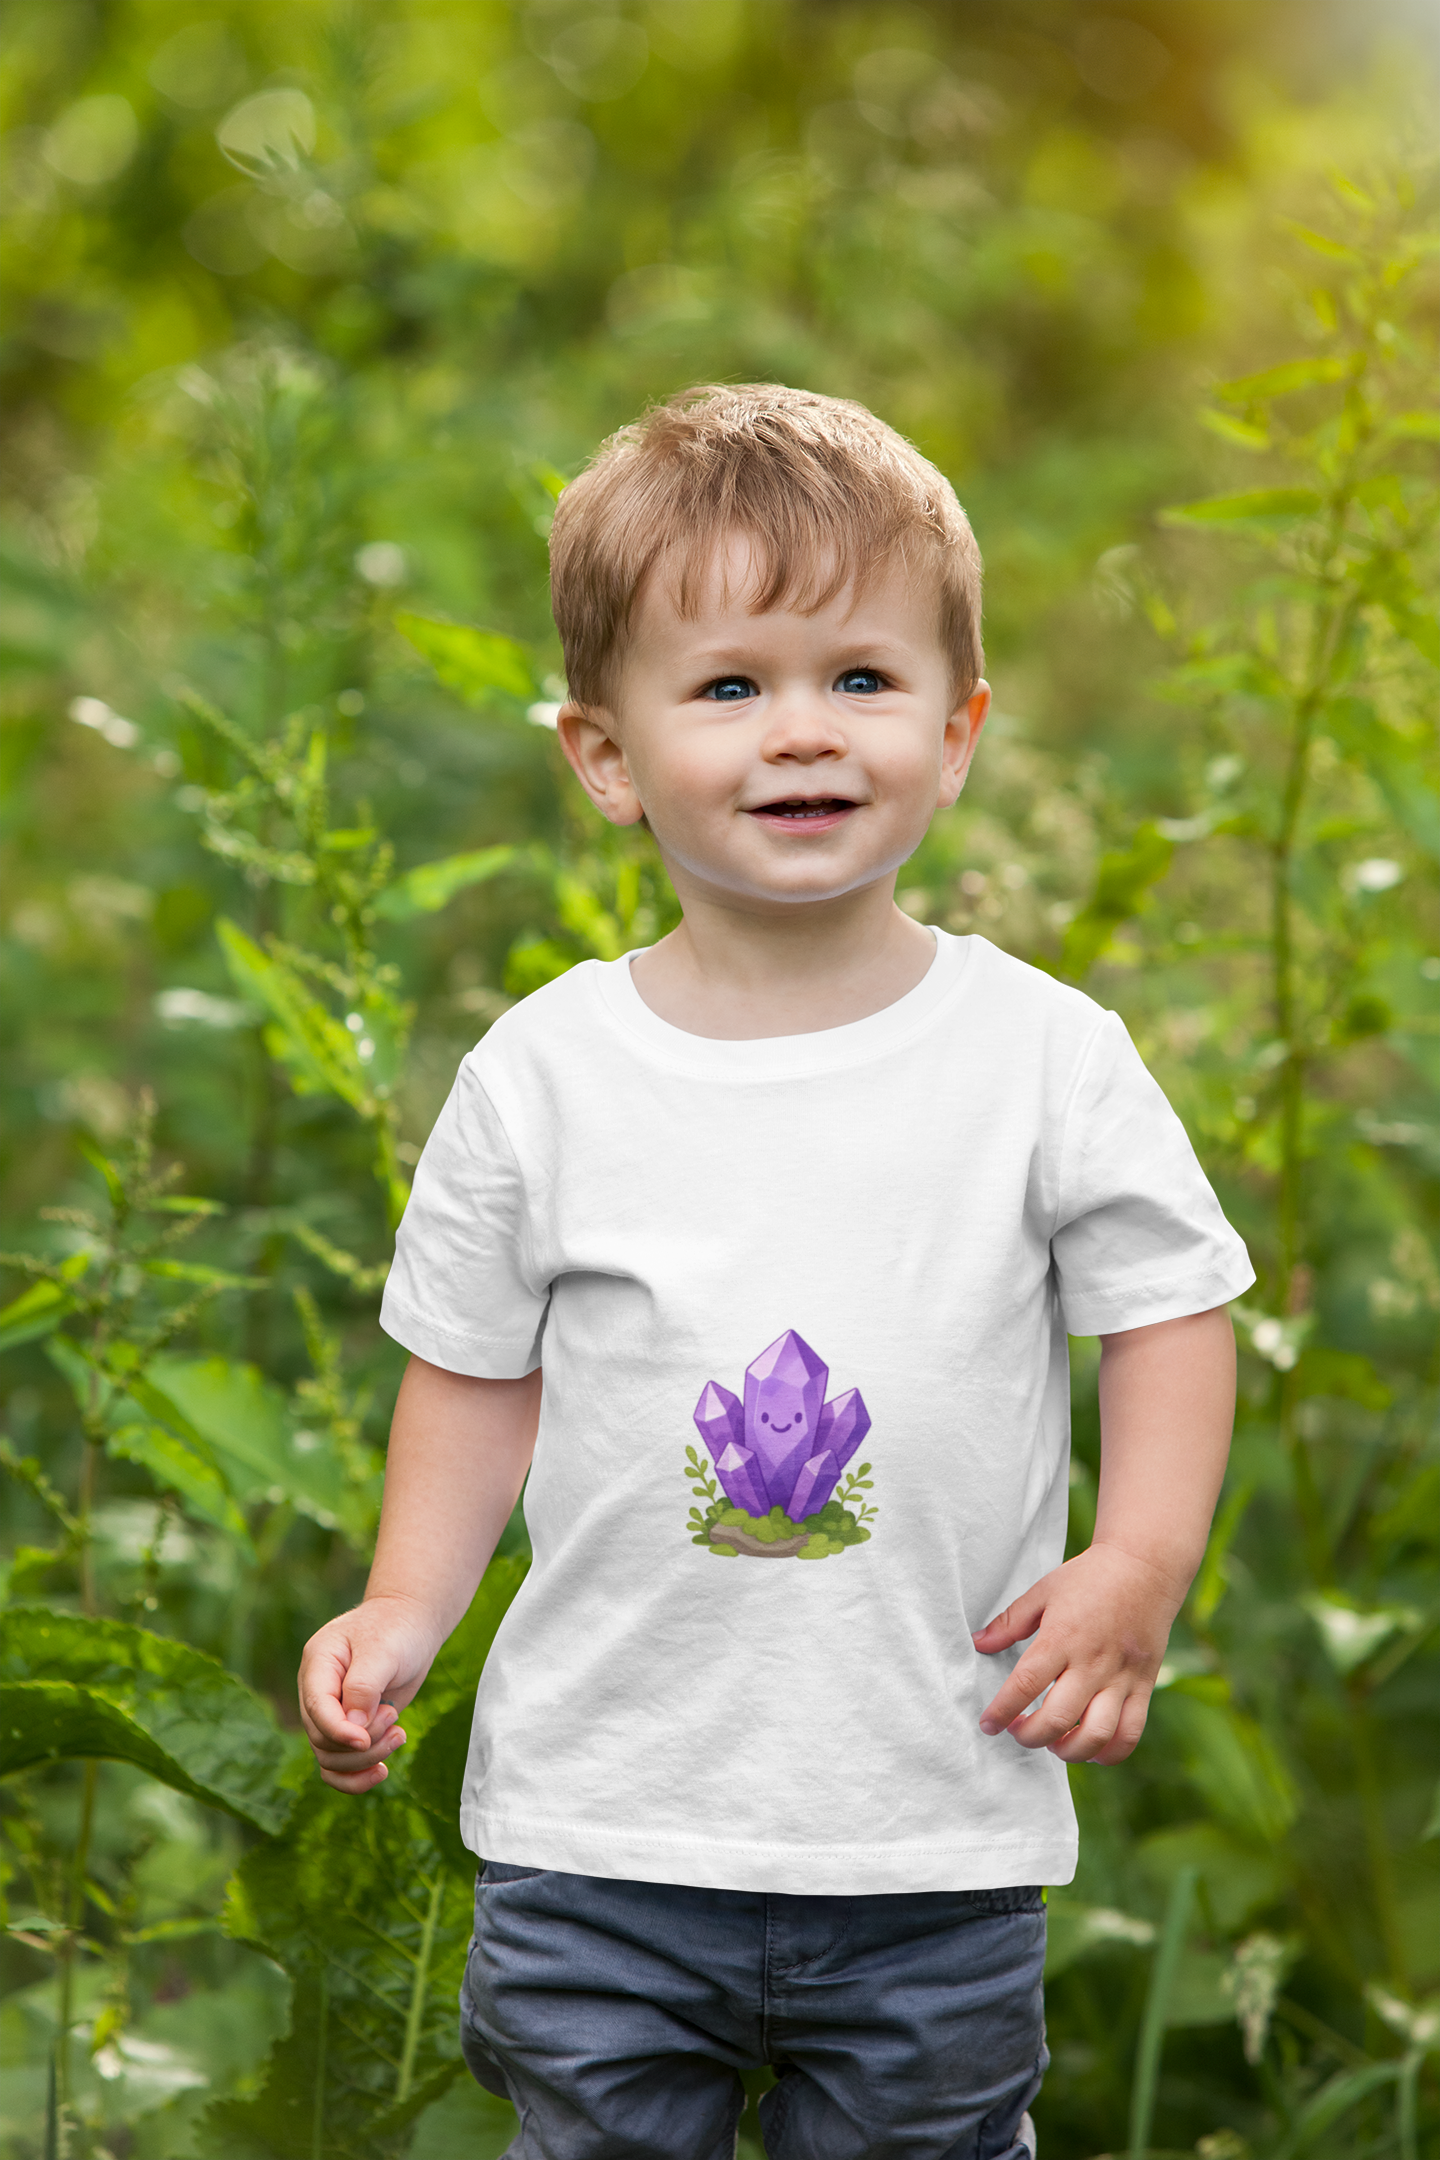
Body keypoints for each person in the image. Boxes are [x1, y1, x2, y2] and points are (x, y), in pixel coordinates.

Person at [298, 383, 1253, 2160]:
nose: (800, 732)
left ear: (958, 731)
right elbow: (475, 1365)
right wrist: (407, 1605)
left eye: (861, 681)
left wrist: (1141, 1560)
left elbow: (1168, 1311)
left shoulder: (1042, 1059)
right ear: (605, 755)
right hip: (601, 1831)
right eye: (730, 686)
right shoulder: (547, 1073)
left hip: (927, 1830)